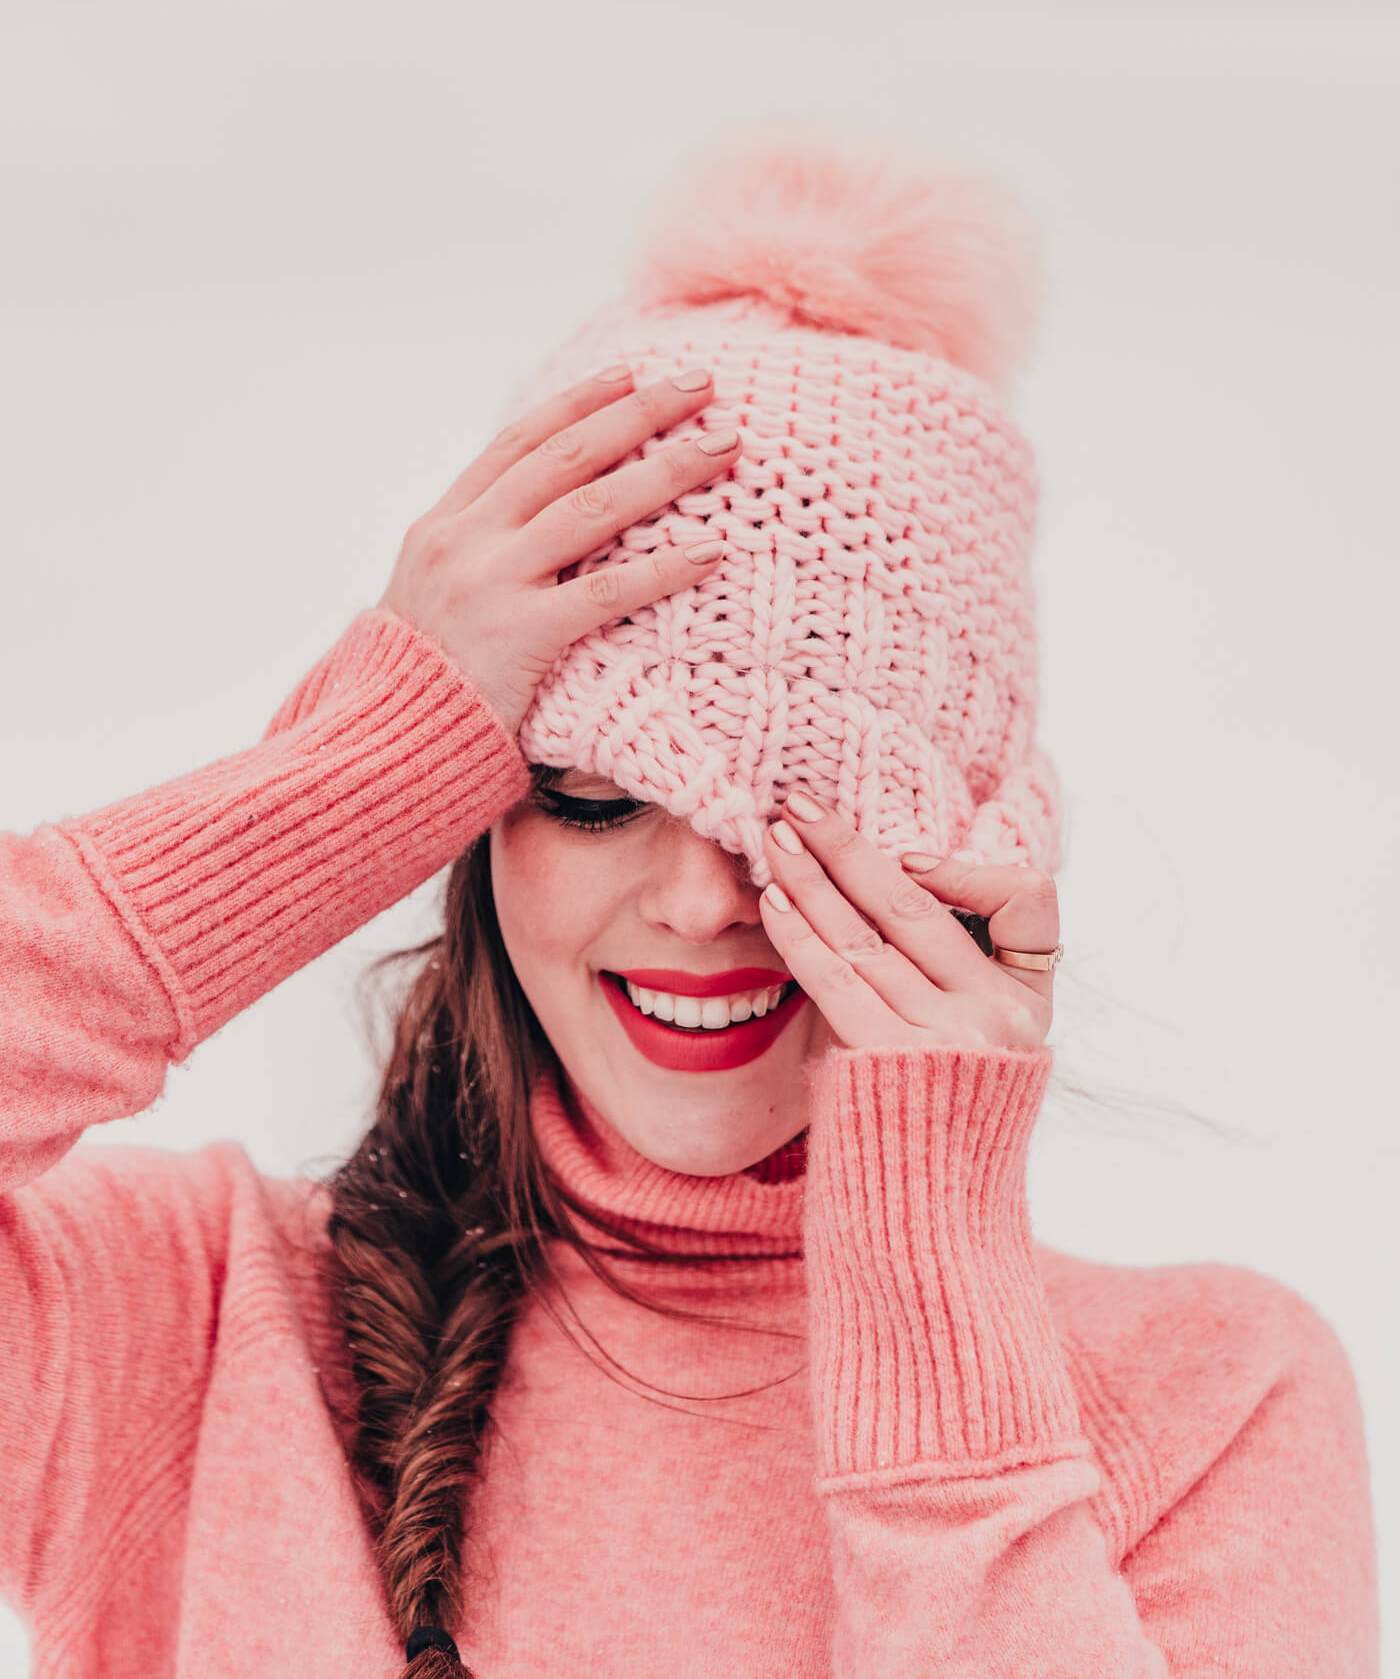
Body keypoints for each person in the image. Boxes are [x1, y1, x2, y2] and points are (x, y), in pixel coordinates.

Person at [0, 131, 1377, 1679]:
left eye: (807, 812)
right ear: (465, 820)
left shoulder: (1212, 1404)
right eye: (592, 792)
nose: (703, 897)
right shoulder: (179, 1327)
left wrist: (926, 1292)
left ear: (977, 846)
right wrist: (347, 771)